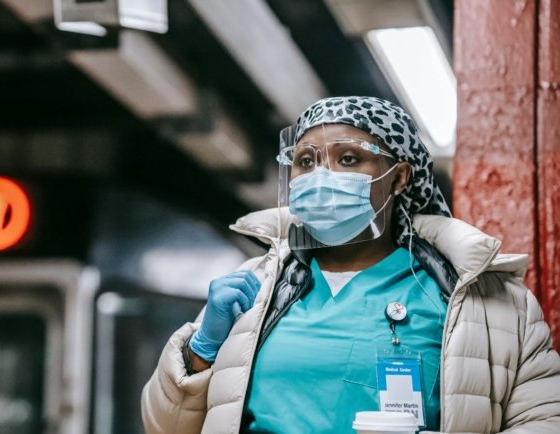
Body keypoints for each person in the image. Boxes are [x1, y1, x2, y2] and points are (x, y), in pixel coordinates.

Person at [140, 96, 560, 433]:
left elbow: (541, 421)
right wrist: (200, 352)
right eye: (306, 161)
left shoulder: (488, 303)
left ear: (398, 178)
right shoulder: (254, 288)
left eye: (348, 159)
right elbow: (165, 427)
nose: (321, 176)